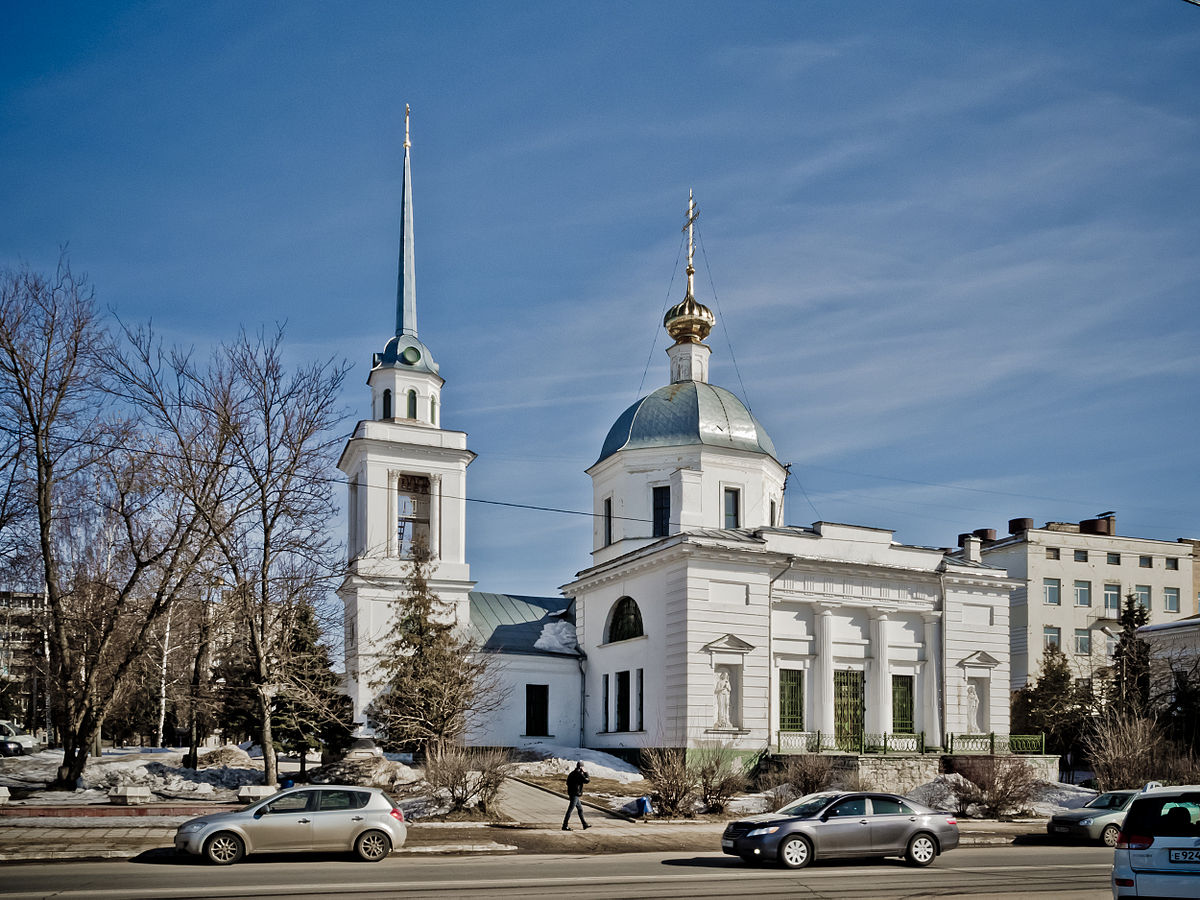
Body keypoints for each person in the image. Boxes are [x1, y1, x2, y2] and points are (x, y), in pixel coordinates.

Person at [562, 761, 590, 831]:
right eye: (582, 767)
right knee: (570, 810)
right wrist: (586, 772)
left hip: (572, 793)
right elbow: (587, 780)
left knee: (580, 809)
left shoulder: (572, 773)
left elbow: (567, 782)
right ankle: (564, 825)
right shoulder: (579, 774)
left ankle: (584, 824)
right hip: (575, 794)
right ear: (581, 767)